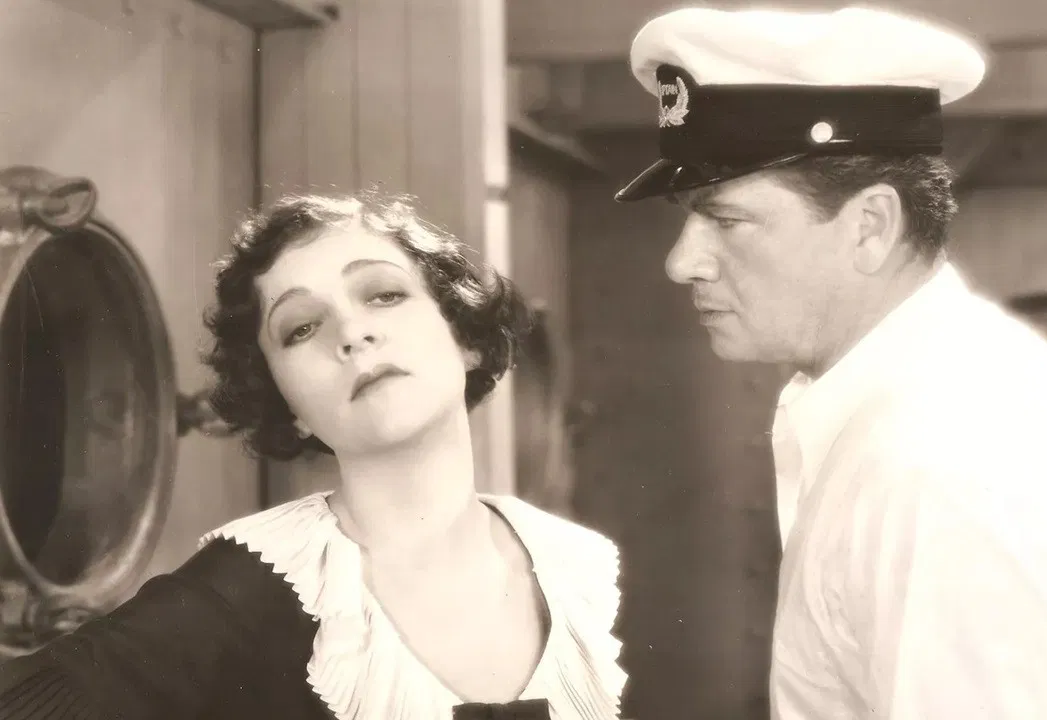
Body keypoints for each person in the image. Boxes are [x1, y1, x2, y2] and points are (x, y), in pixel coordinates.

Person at [614, 6, 1047, 720]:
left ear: (870, 227)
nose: (682, 261)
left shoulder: (938, 458)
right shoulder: (937, 387)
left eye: (726, 219)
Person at [0, 193, 626, 720]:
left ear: (465, 339)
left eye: (383, 294)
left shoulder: (587, 572)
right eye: (300, 328)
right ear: (288, 403)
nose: (351, 334)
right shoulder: (246, 591)